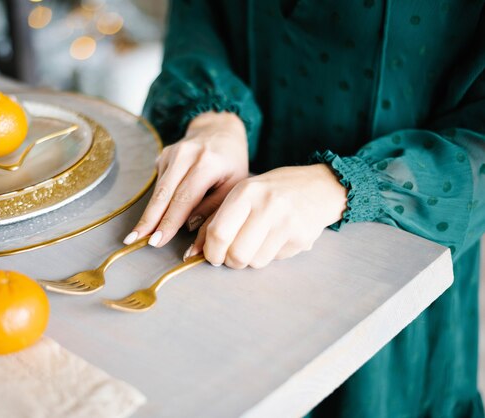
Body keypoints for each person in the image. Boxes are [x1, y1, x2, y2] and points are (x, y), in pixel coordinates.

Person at [123, 0, 485, 416]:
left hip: (392, 242)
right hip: (228, 224)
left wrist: (350, 185)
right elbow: (200, 16)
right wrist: (214, 116)